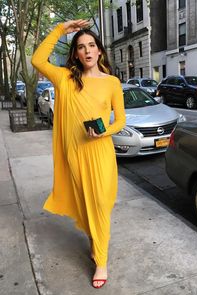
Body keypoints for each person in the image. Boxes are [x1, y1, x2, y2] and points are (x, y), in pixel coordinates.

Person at [31, 20, 126, 289]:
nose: (87, 51)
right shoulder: (65, 79)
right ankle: (97, 244)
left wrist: (105, 130)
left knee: (100, 205)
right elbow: (37, 60)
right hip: (75, 154)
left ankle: (102, 261)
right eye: (81, 47)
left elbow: (120, 120)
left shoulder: (112, 82)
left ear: (99, 52)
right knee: (86, 206)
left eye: (91, 45)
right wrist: (61, 30)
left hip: (101, 153)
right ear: (76, 54)